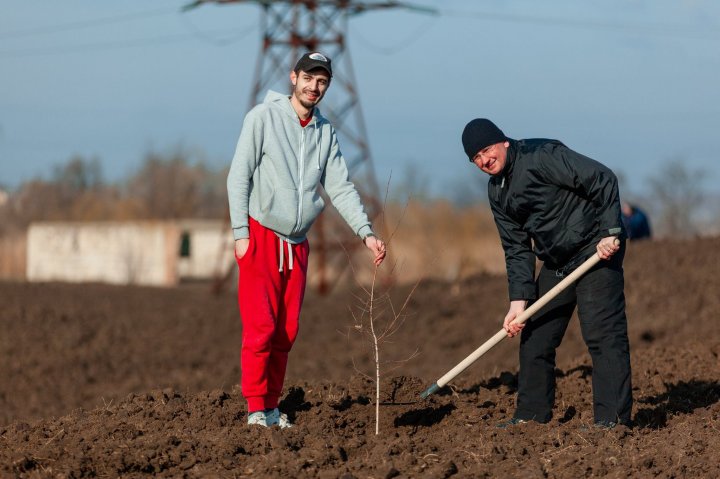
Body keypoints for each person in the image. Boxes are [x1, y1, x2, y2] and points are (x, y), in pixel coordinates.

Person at [227, 52, 386, 428]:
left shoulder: (324, 131)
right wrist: (240, 234)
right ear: (293, 77)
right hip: (261, 237)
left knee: (286, 331)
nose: (315, 87)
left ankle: (271, 407)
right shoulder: (262, 118)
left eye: (323, 82)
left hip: (297, 243)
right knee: (261, 328)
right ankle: (255, 409)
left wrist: (366, 232)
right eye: (309, 78)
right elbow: (238, 177)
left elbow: (340, 187)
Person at [461, 118, 632, 429]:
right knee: (535, 336)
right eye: (476, 159)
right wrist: (518, 303)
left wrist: (610, 231)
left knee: (602, 334)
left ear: (504, 142)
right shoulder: (496, 191)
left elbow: (602, 178)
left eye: (486, 150)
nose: (484, 160)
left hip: (596, 249)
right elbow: (516, 248)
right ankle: (530, 416)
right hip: (557, 261)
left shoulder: (542, 156)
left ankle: (612, 422)